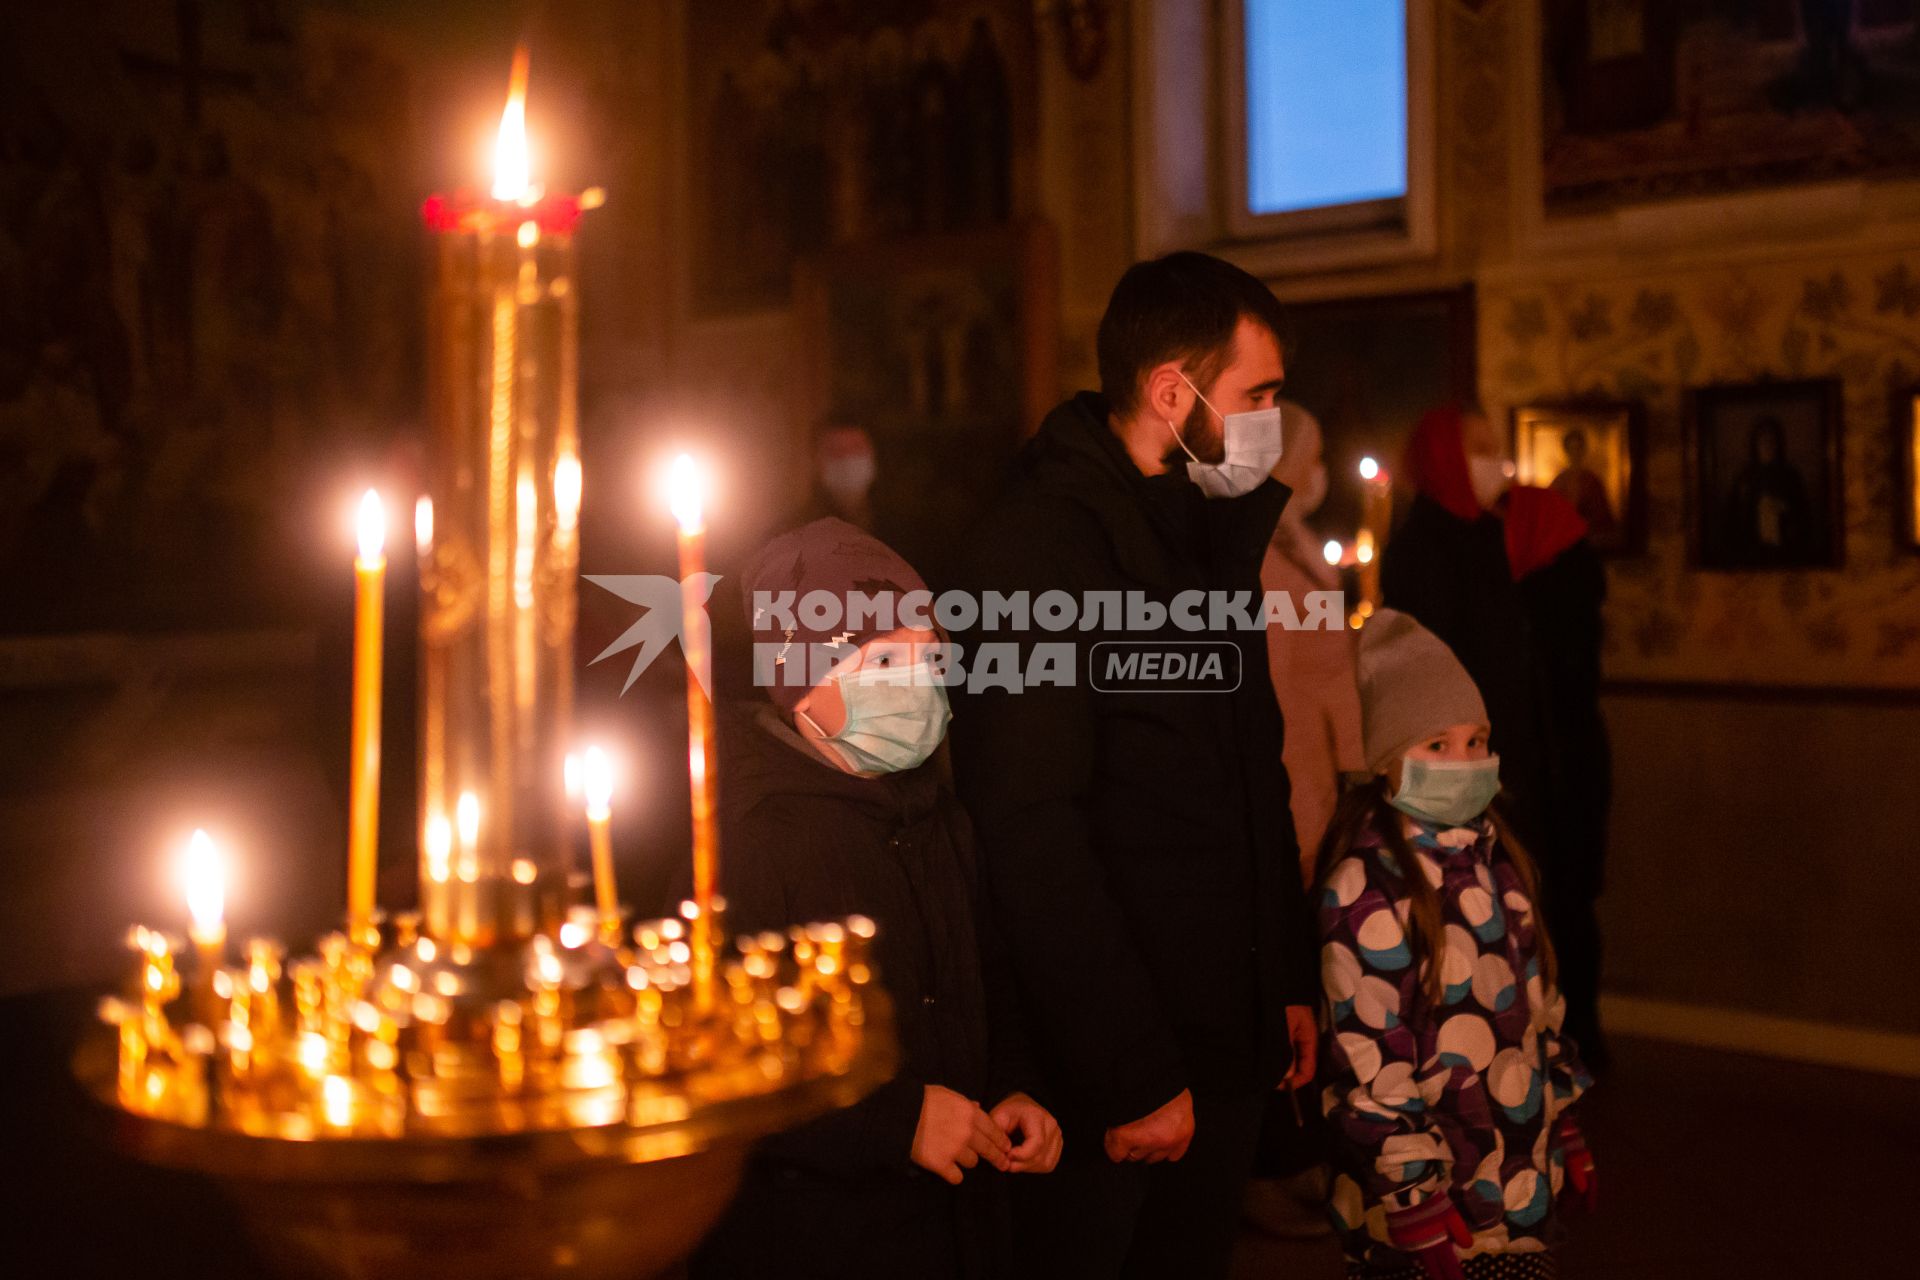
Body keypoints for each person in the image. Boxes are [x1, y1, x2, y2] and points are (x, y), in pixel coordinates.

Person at [948, 251, 1319, 1279]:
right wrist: (1133, 1067)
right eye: (1257, 394)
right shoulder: (1035, 549)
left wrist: (1280, 980)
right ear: (1172, 391)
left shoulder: (1204, 533)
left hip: (1223, 1031)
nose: (1268, 421)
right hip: (1118, 1059)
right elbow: (1031, 829)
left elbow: (1255, 770)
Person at [693, 518, 1062, 1280]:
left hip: (953, 1229)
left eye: (931, 657)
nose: (918, 682)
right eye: (886, 658)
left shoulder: (937, 814)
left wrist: (1014, 1086)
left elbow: (991, 977)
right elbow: (723, 1064)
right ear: (803, 674)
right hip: (813, 1242)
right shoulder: (746, 842)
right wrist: (896, 1125)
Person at [1316, 609, 1595, 1280]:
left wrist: (1563, 1122)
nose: (1466, 762)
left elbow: (1536, 1012)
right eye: (1437, 745)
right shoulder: (1366, 887)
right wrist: (1413, 1194)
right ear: (1386, 759)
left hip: (1518, 1196)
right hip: (1427, 1218)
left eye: (1477, 741)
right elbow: (1368, 1064)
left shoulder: (1501, 861)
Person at [1383, 405, 1611, 1068]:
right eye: (1478, 448)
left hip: (1519, 763)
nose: (1498, 462)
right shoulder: (1423, 546)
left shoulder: (1486, 536)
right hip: (1466, 772)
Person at [1261, 399, 1364, 867]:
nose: (1319, 471)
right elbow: (1274, 684)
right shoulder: (1266, 559)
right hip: (1293, 776)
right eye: (1312, 457)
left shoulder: (1295, 540)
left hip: (1322, 768)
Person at [1546, 430, 1617, 547]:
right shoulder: (1559, 481)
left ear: (1583, 451)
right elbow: (1550, 512)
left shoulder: (1593, 481)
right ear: (1566, 451)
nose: (1575, 453)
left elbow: (1602, 515)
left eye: (1578, 449)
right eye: (1572, 449)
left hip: (1589, 538)